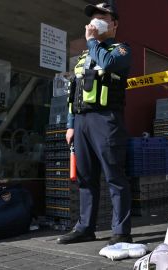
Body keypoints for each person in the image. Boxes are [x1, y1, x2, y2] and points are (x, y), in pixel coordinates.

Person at [57, 2, 132, 245]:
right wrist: (70, 124)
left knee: (114, 175)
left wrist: (92, 42)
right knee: (85, 178)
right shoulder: (83, 58)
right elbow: (73, 91)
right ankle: (85, 227)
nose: (96, 21)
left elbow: (109, 65)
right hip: (81, 122)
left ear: (114, 24)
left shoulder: (120, 50)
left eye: (102, 17)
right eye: (94, 17)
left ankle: (121, 231)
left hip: (106, 120)